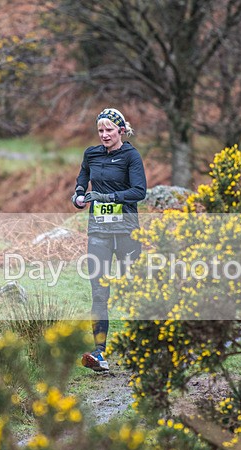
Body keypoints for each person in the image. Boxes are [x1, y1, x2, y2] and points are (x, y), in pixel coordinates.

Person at [72, 108, 147, 372]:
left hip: (126, 230)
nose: (104, 135)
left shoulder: (131, 156)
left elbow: (140, 191)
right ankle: (99, 353)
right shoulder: (91, 153)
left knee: (132, 290)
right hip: (99, 231)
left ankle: (141, 348)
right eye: (100, 130)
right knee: (99, 293)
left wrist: (106, 198)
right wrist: (80, 193)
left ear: (121, 131)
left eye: (109, 130)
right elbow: (83, 176)